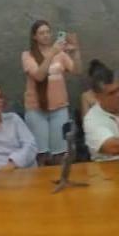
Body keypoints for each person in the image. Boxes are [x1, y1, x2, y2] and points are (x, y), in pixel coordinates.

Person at [22, 20, 81, 165]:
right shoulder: (27, 55)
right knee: (41, 154)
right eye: (41, 33)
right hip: (36, 109)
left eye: (48, 32)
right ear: (34, 37)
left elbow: (77, 71)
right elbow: (39, 76)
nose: (46, 36)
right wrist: (52, 53)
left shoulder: (60, 54)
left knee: (60, 153)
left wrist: (75, 51)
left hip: (59, 107)